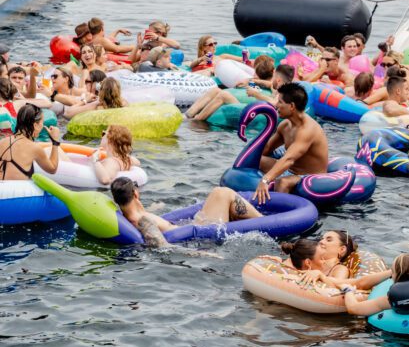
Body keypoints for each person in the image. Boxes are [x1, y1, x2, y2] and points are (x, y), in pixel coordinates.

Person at [110, 176, 261, 247]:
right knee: (222, 192)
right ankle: (263, 219)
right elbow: (164, 247)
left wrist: (157, 207)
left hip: (192, 225)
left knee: (220, 196)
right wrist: (199, 254)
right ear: (135, 194)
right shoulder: (142, 221)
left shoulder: (132, 215)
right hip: (200, 232)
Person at [253, 82, 329, 203]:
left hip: (312, 177)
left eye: (280, 102)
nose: (276, 105)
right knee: (258, 160)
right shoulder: (285, 126)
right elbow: (266, 149)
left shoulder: (307, 130)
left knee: (283, 182)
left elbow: (289, 159)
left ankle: (275, 216)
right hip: (292, 171)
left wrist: (265, 180)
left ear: (292, 106)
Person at [0, 104, 60, 180]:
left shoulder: (2, 142)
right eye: (42, 122)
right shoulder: (34, 148)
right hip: (17, 190)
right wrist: (55, 142)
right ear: (35, 125)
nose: (43, 126)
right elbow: (53, 169)